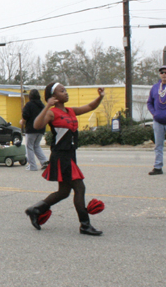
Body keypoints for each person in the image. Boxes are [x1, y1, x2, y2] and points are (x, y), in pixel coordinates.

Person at [24, 83, 105, 236]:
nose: (66, 93)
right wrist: (47, 106)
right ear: (54, 97)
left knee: (64, 192)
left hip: (70, 155)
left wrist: (100, 97)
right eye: (62, 91)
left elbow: (89, 107)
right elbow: (36, 124)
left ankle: (35, 209)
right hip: (61, 156)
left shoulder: (70, 111)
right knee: (79, 188)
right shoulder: (52, 113)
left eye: (65, 90)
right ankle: (85, 225)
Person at [21, 89, 48, 172]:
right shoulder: (42, 105)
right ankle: (44, 162)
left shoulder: (29, 105)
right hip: (41, 129)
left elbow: (25, 115)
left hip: (31, 129)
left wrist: (22, 121)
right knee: (36, 145)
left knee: (29, 147)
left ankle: (32, 166)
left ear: (30, 96)